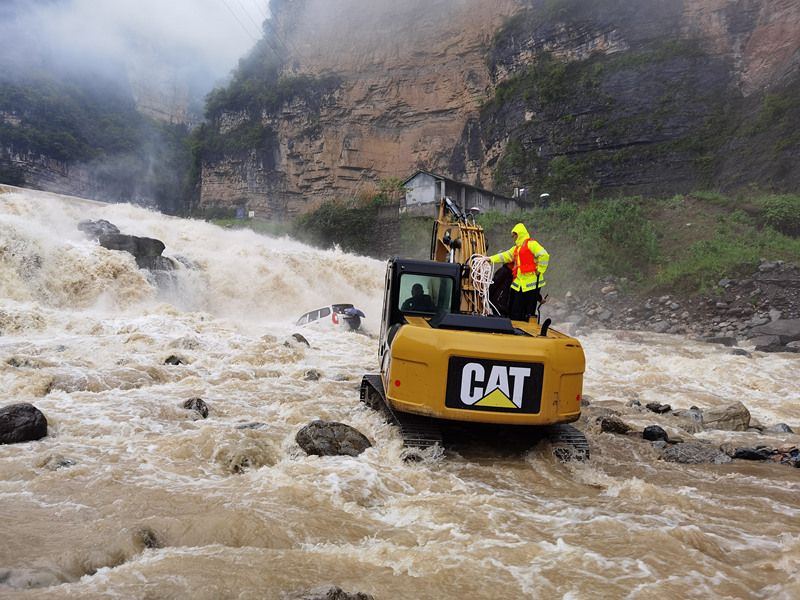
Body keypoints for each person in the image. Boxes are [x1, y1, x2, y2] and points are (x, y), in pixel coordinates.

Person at [488, 222, 549, 321]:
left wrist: (540, 269)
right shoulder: (516, 249)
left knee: (527, 312)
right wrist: (489, 259)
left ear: (519, 234)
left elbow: (544, 255)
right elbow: (504, 255)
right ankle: (516, 324)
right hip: (520, 282)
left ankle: (523, 326)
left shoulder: (531, 244)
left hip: (531, 282)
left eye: (514, 236)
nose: (513, 238)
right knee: (516, 310)